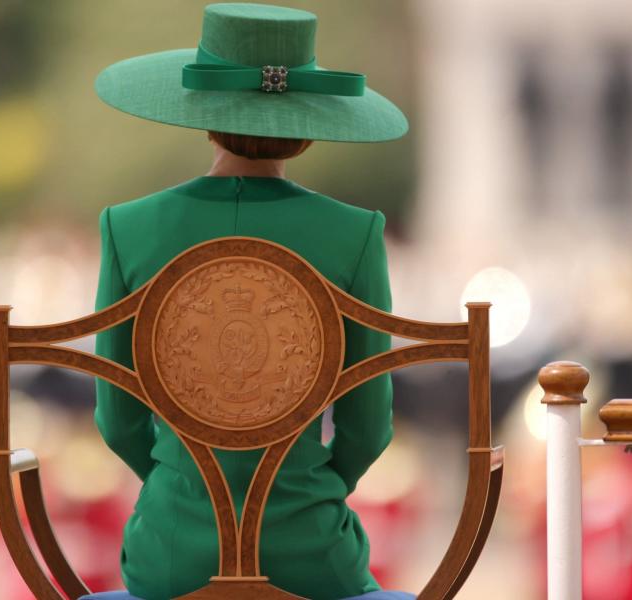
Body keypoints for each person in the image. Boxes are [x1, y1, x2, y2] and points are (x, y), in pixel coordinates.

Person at [90, 4, 410, 600]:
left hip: (168, 557)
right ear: (307, 118)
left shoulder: (125, 228)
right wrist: (305, 493)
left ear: (205, 115)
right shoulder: (356, 233)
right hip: (313, 557)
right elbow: (368, 428)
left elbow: (117, 421)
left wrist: (183, 488)